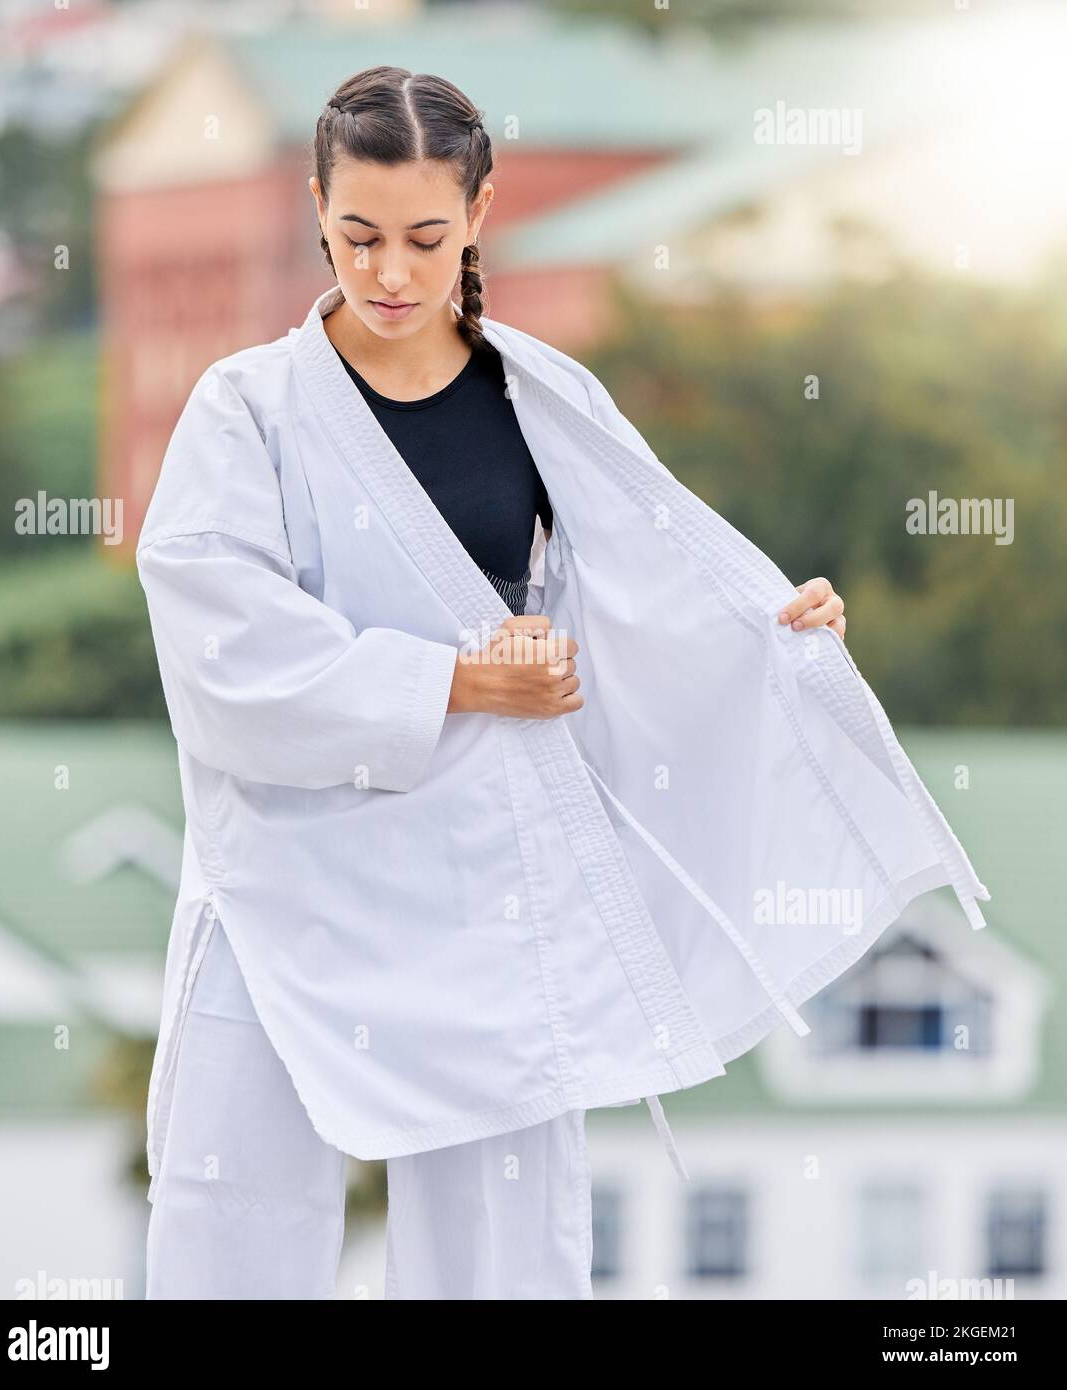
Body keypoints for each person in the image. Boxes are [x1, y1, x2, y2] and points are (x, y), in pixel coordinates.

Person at [138, 66, 987, 1301]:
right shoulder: (247, 409)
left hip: (484, 863)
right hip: (283, 866)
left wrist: (773, 630)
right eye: (358, 234)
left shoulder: (537, 393)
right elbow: (223, 646)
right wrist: (458, 682)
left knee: (503, 1238)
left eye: (425, 238)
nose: (389, 273)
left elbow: (644, 601)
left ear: (479, 214)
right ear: (314, 208)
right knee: (231, 1206)